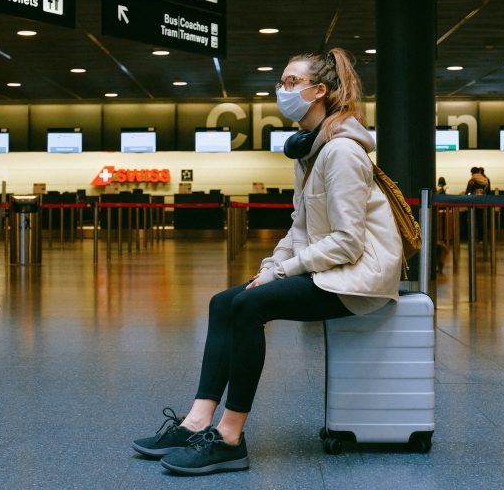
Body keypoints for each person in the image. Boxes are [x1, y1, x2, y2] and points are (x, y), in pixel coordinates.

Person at [132, 48, 403, 476]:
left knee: (249, 306)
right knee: (225, 301)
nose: (282, 90)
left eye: (292, 82)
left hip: (357, 280)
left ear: (320, 92)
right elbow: (300, 226)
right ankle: (196, 421)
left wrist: (284, 272)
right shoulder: (310, 152)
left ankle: (229, 437)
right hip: (329, 269)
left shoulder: (342, 153)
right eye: (281, 82)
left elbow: (349, 243)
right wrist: (270, 266)